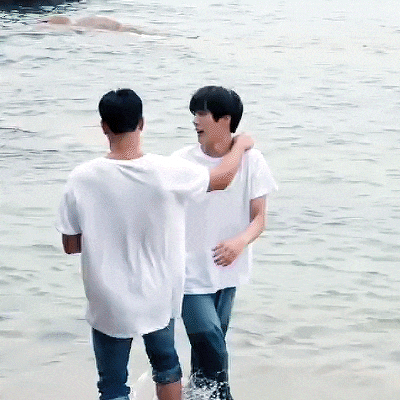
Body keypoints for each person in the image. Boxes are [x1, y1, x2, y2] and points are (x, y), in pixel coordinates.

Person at [56, 88, 254, 400]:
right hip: (157, 294)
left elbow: (70, 244)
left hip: (107, 298)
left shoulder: (81, 177)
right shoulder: (169, 171)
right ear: (142, 123)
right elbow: (222, 178)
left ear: (104, 126)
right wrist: (240, 144)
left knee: (112, 385)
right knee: (167, 367)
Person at [172, 86, 278, 399]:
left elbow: (259, 219)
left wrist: (239, 242)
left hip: (228, 270)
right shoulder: (181, 161)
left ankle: (197, 396)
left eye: (202, 113)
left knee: (206, 355)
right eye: (194, 113)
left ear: (225, 119)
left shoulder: (253, 161)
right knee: (211, 343)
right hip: (188, 273)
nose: (195, 120)